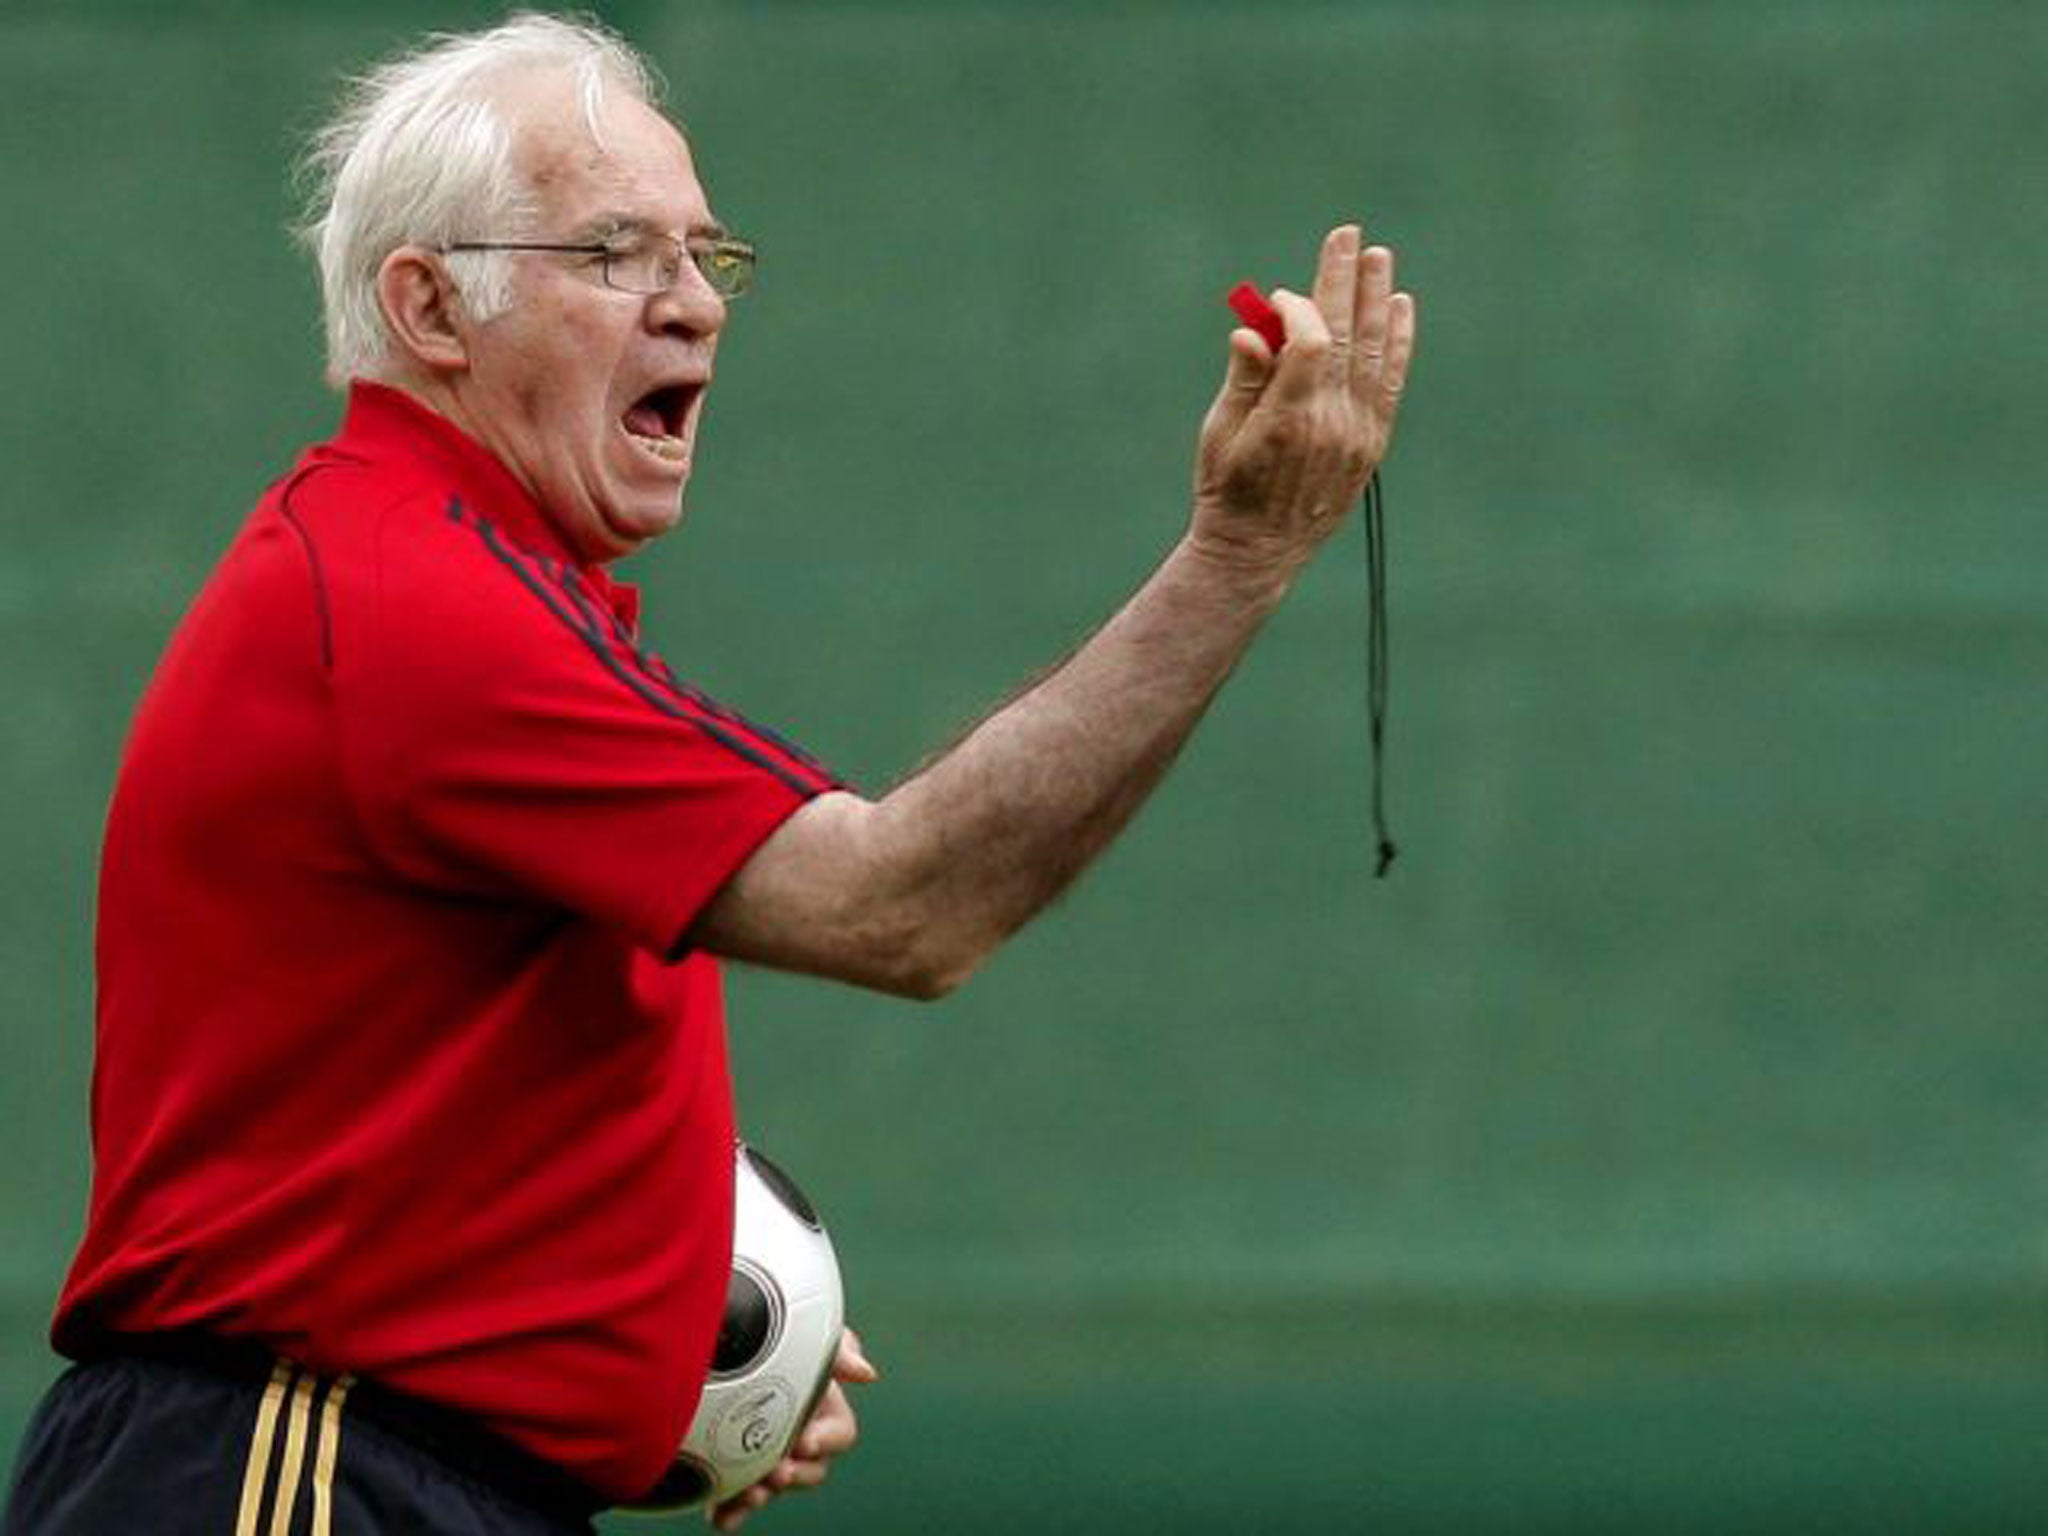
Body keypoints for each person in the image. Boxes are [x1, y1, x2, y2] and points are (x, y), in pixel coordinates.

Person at [2, 12, 1416, 1536]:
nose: (694, 307)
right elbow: (905, 906)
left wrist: (681, 1345)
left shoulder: (449, 575)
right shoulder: (412, 598)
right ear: (428, 307)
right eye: (618, 254)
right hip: (288, 1475)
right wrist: (1241, 552)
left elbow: (415, 1112)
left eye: (706, 257)